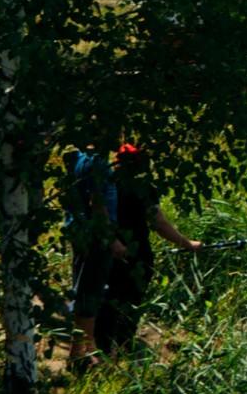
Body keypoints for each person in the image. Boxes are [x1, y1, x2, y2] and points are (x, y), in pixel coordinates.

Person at [67, 141, 200, 368]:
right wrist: (187, 244)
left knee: (102, 301)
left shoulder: (105, 180)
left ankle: (98, 349)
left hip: (103, 247)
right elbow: (158, 222)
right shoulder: (141, 186)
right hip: (132, 253)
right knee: (129, 301)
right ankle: (121, 350)